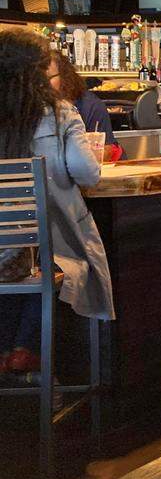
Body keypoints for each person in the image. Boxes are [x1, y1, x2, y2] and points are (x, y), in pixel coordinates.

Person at [0, 28, 113, 375]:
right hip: (45, 250)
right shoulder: (60, 112)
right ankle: (26, 350)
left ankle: (7, 351)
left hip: (4, 251)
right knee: (47, 258)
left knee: (24, 258)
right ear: (38, 69)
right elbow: (87, 174)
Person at [47, 50, 123, 163]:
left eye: (49, 78)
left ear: (64, 76)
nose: (42, 84)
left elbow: (106, 150)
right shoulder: (31, 108)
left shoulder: (90, 106)